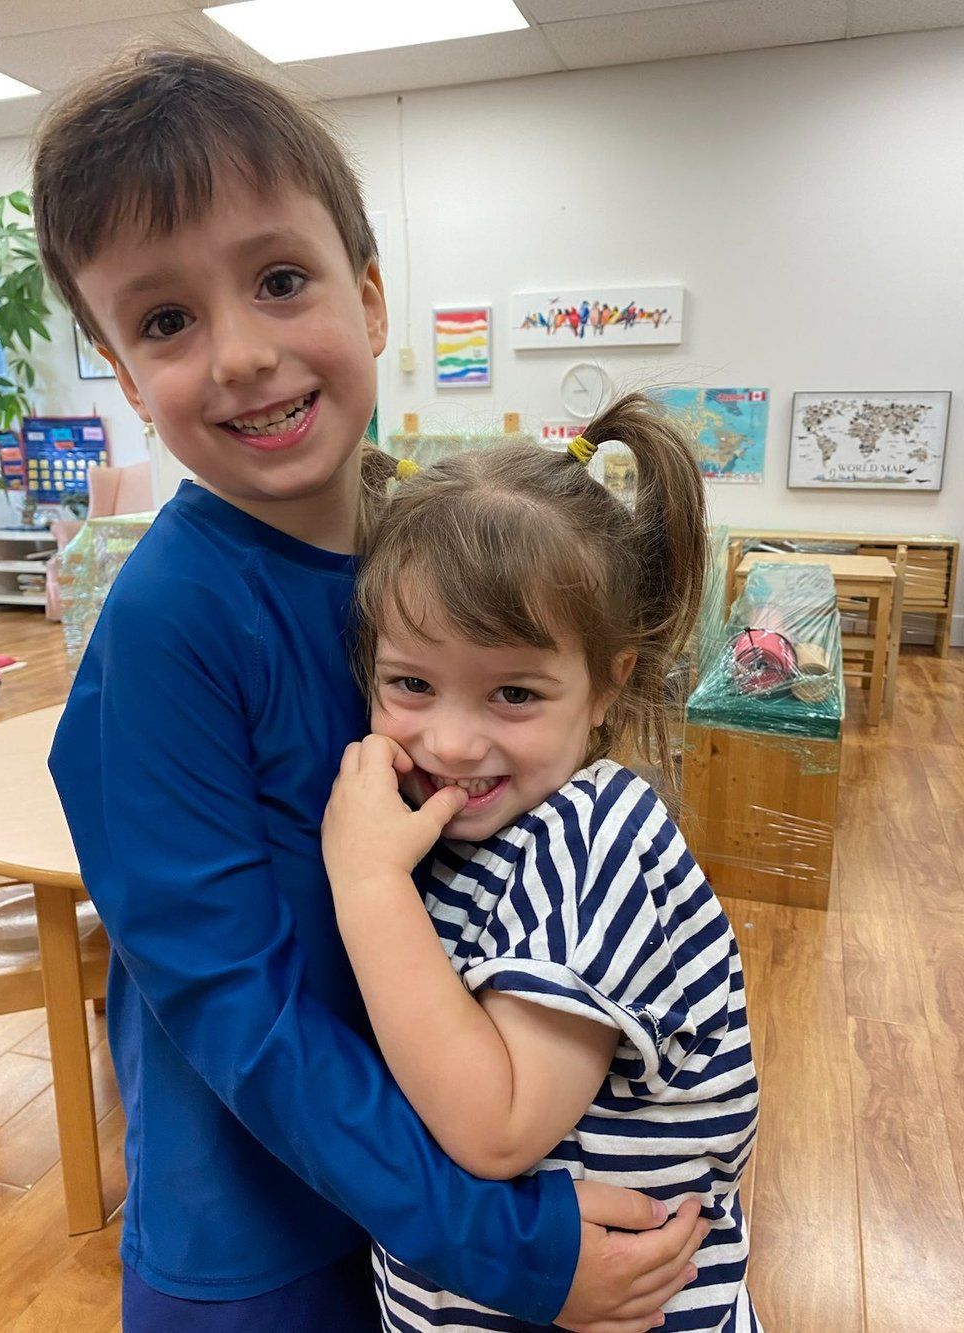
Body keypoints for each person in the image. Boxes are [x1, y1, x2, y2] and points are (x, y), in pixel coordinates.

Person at [34, 47, 707, 1333]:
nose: (238, 354)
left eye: (280, 281)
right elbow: (236, 1005)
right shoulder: (167, 629)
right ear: (123, 377)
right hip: (264, 1240)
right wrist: (501, 1245)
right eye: (165, 321)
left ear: (372, 295)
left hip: (430, 1192)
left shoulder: (424, 545)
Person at [322, 395, 762, 1332]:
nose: (450, 739)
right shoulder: (447, 827)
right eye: (410, 683)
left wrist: (363, 882)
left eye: (513, 692)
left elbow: (499, 1123)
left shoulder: (599, 836)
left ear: (609, 684)